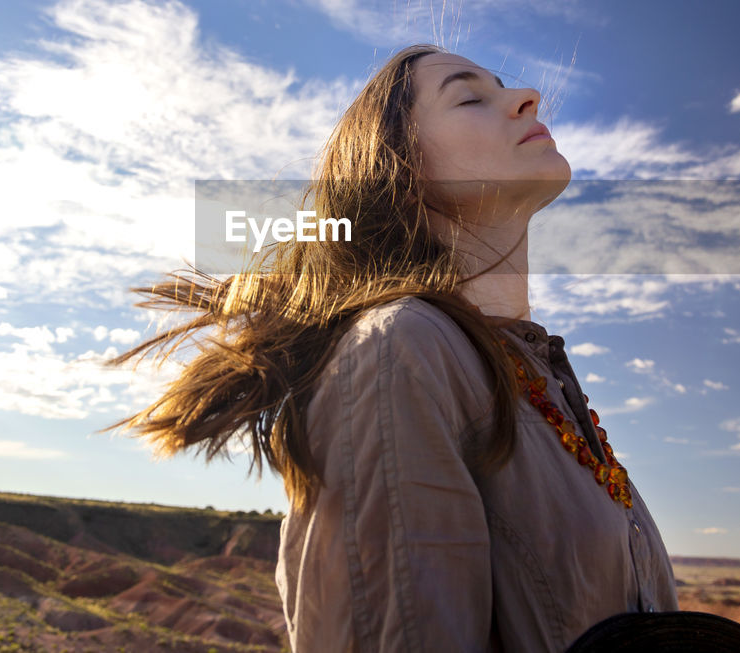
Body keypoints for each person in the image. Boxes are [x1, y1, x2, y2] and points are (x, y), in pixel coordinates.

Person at [99, 44, 678, 651]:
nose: (527, 98)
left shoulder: (537, 376)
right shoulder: (401, 349)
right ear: (400, 176)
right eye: (470, 96)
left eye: (502, 87)